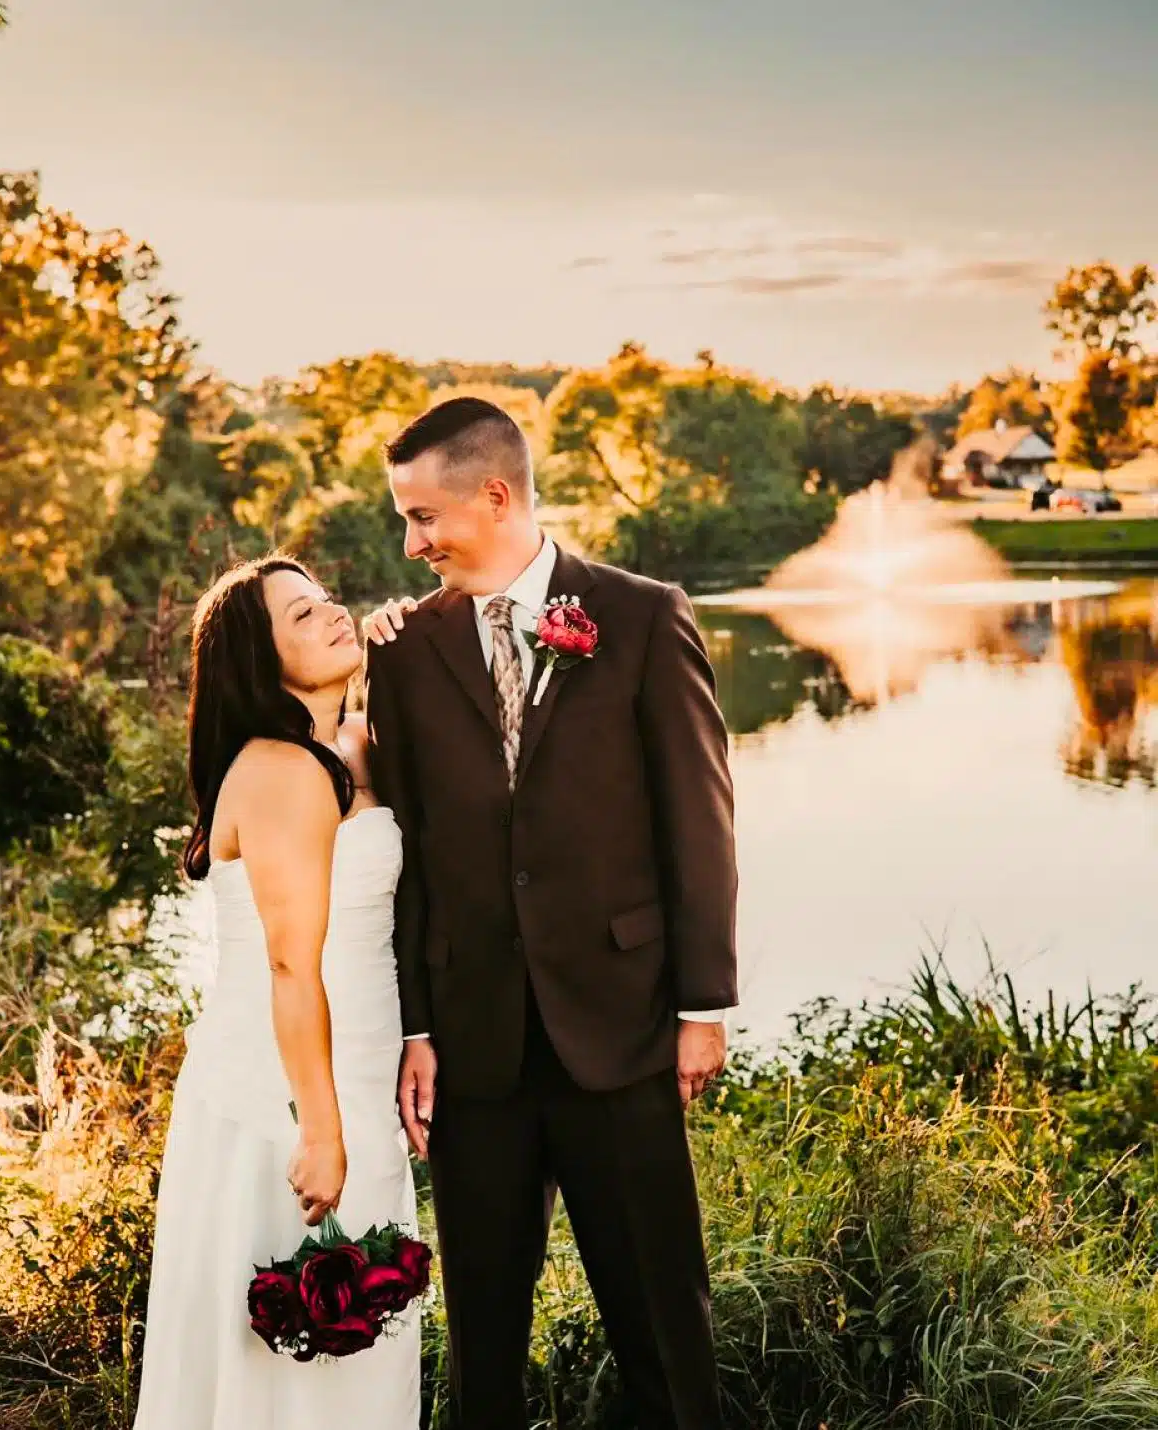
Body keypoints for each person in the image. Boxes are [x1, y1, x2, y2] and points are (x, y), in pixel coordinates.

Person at [363, 396, 738, 1430]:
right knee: (483, 1342)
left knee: (664, 1322)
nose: (413, 541)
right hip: (474, 1051)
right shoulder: (401, 649)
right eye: (406, 519)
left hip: (620, 1025)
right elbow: (407, 853)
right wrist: (416, 1023)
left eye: (425, 516)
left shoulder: (645, 616)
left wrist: (703, 1002)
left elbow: (698, 823)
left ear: (495, 495)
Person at [134, 556, 419, 1430]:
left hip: (357, 1070)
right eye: (302, 616)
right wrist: (324, 1129)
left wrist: (417, 642)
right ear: (261, 663)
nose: (333, 613)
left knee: (350, 1355)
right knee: (289, 1367)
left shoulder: (351, 747)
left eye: (328, 599)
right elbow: (293, 965)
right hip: (290, 1091)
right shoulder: (280, 770)